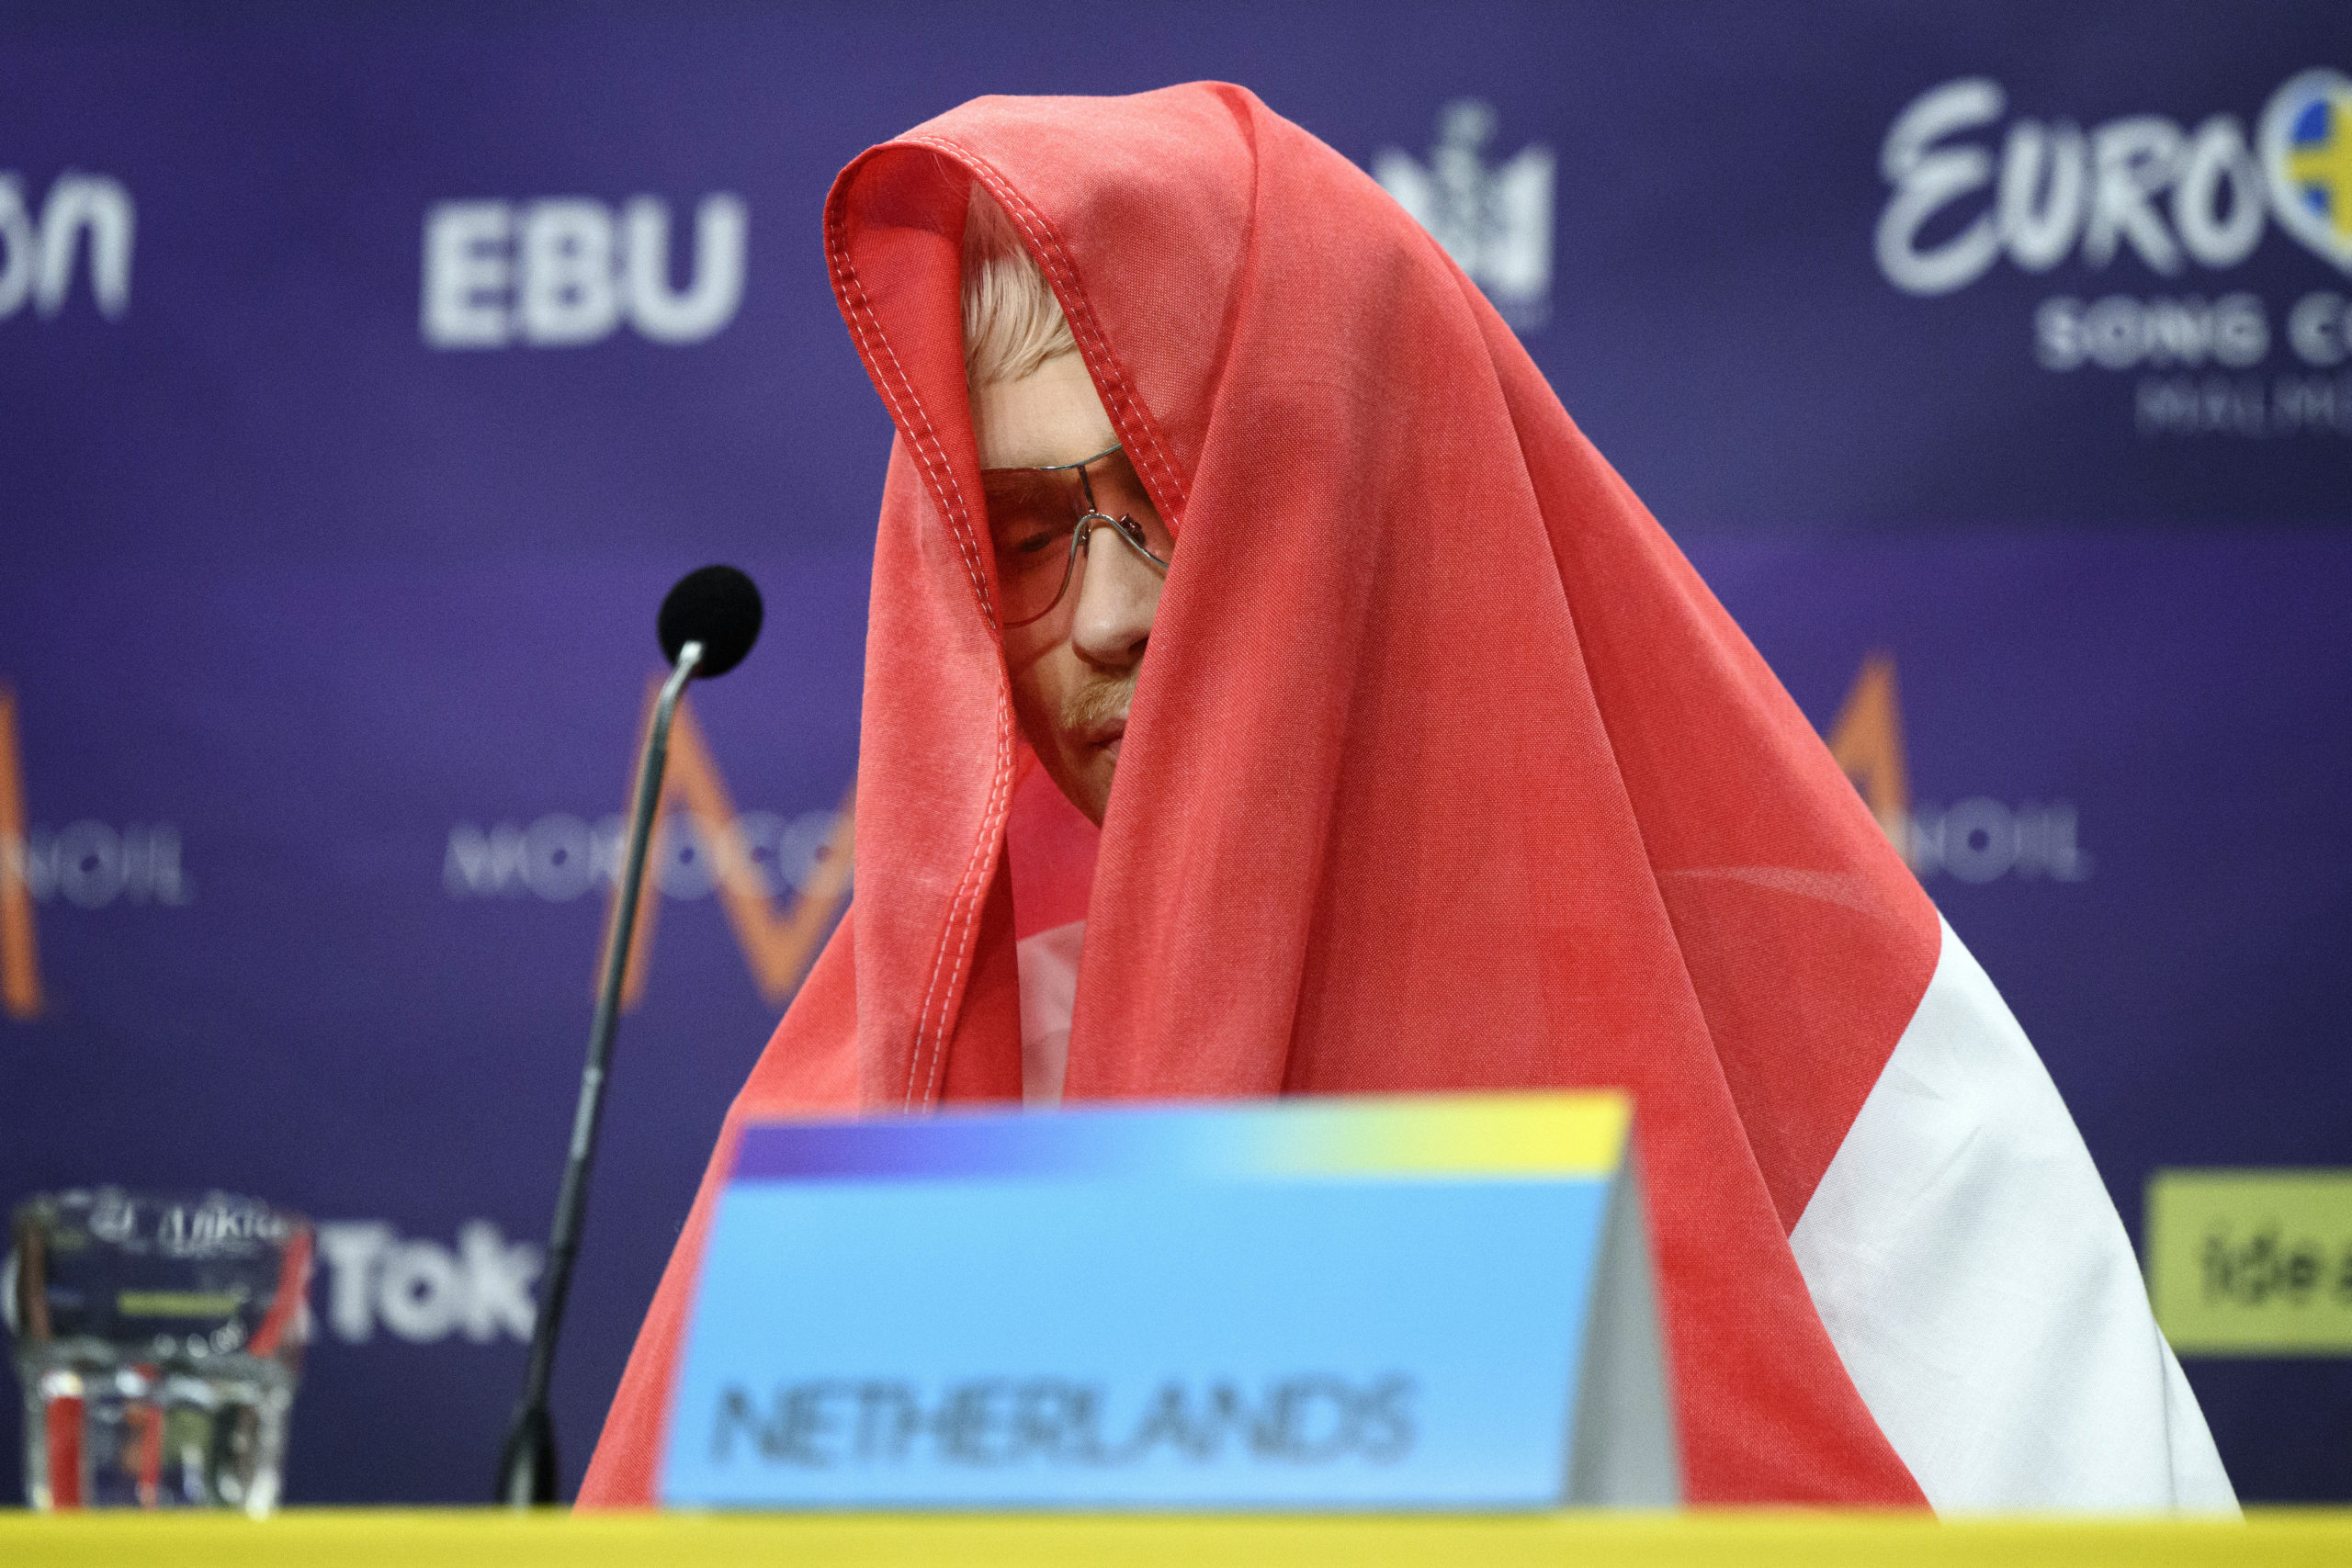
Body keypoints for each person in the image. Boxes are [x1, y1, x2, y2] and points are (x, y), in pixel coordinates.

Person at [578, 83, 2234, 1512]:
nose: (1104, 613)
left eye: (1172, 503)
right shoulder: (886, 1099)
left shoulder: (1831, 1068)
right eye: (1020, 537)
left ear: (1371, 497)